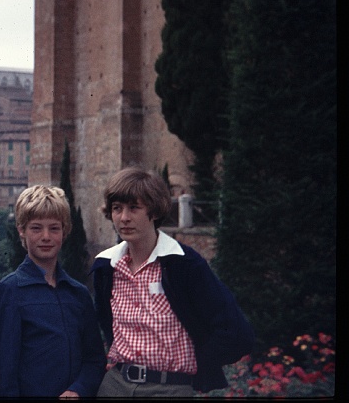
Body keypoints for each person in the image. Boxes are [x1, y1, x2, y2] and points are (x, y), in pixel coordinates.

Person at [90, 167, 254, 397]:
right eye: (117, 208)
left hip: (168, 389)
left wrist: (200, 363)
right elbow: (106, 324)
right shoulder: (106, 267)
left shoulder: (184, 264)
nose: (124, 217)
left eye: (134, 208)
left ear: (154, 211)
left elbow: (236, 332)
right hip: (115, 386)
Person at [0, 185, 106, 398]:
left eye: (54, 228)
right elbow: (6, 372)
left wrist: (78, 390)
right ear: (21, 231)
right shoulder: (10, 291)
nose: (46, 236)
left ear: (65, 231)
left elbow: (95, 359)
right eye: (36, 228)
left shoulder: (78, 294)